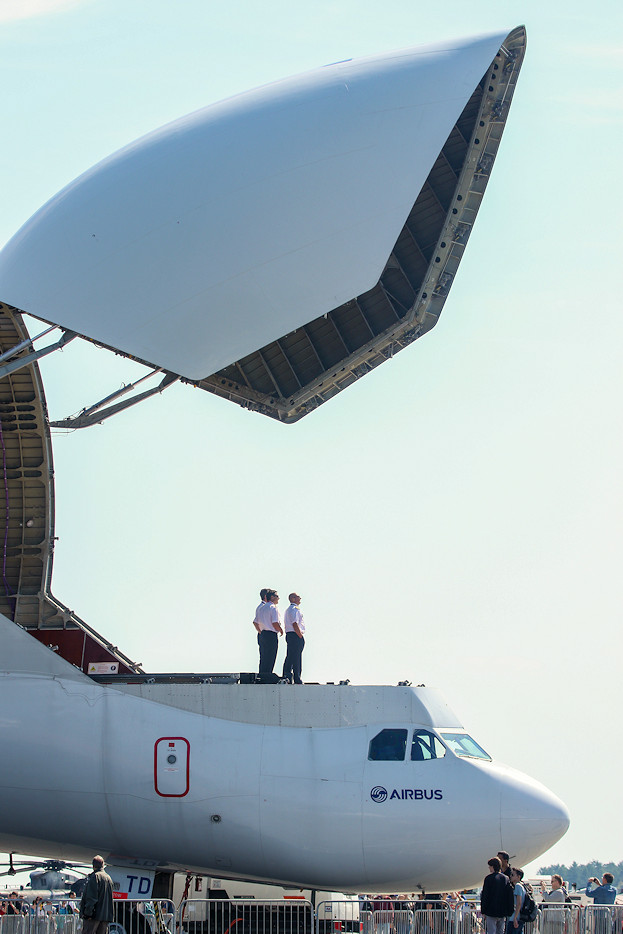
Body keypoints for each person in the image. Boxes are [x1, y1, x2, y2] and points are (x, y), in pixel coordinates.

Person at [79, 855, 114, 934]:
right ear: (102, 864)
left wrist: (88, 914)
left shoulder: (95, 877)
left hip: (94, 916)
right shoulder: (108, 878)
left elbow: (92, 898)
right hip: (105, 916)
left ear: (93, 865)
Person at [253, 589, 283, 674]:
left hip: (263, 633)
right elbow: (275, 622)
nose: (278, 598)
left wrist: (261, 631)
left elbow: (255, 622)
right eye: (277, 596)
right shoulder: (273, 608)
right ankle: (267, 675)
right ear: (272, 597)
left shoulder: (261, 608)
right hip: (271, 634)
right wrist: (280, 630)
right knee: (271, 656)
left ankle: (262, 674)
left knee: (263, 657)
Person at [481, 858, 513, 934]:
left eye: (490, 866)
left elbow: (485, 895)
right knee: (500, 931)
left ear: (492, 866)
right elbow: (509, 895)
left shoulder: (488, 878)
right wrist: (509, 910)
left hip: (490, 911)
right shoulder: (506, 878)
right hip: (502, 911)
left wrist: (483, 910)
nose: (489, 868)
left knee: (491, 931)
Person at [282, 592, 305, 684]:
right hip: (295, 635)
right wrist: (299, 635)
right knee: (296, 657)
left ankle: (287, 675)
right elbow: (295, 623)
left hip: (291, 634)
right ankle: (297, 677)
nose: (300, 599)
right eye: (298, 597)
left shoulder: (289, 609)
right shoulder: (294, 609)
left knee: (291, 656)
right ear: (293, 598)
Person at [507, 868, 527, 934]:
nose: (510, 876)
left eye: (513, 875)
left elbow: (519, 903)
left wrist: (515, 918)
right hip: (519, 918)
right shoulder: (522, 886)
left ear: (518, 877)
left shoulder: (518, 886)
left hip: (514, 918)